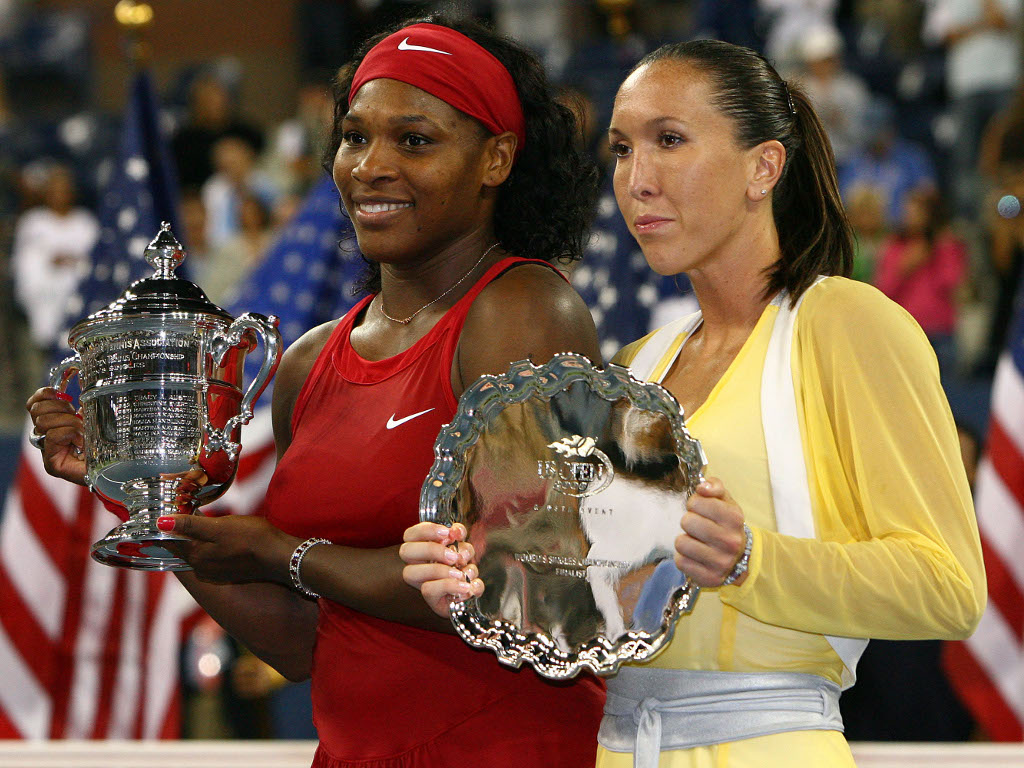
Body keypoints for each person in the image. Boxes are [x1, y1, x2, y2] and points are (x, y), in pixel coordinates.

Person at [26, 15, 605, 768]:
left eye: (416, 140)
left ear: (496, 159)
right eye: (356, 136)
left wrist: (286, 552)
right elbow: (306, 644)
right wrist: (139, 492)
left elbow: (525, 580)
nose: (371, 165)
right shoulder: (308, 361)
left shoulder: (524, 309)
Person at [402, 38, 986, 767]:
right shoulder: (632, 366)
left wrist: (752, 563)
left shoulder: (847, 325)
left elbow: (949, 587)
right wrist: (479, 577)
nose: (636, 179)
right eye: (620, 149)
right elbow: (590, 607)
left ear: (763, 167)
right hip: (615, 747)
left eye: (669, 140)